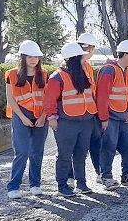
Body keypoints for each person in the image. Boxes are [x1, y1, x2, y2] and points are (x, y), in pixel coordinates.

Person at [43, 43, 98, 196]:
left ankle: (81, 183)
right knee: (64, 155)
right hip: (67, 122)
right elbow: (49, 100)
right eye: (80, 56)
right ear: (74, 59)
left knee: (81, 154)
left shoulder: (84, 73)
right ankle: (62, 186)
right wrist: (52, 118)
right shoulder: (57, 77)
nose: (83, 58)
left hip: (86, 120)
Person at [5, 40, 49, 199]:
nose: (33, 60)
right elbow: (10, 99)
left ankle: (35, 184)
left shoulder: (44, 74)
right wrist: (23, 118)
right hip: (20, 115)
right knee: (22, 151)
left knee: (37, 152)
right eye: (29, 56)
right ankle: (13, 186)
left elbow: (48, 98)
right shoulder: (11, 74)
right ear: (23, 57)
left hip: (40, 116)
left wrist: (43, 116)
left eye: (36, 56)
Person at [96, 39, 128, 189]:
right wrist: (103, 118)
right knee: (108, 147)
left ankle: (127, 175)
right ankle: (106, 176)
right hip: (110, 117)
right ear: (126, 55)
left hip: (124, 116)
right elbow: (102, 97)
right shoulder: (109, 70)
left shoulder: (127, 72)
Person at [68, 32, 101, 186]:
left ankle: (97, 172)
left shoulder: (87, 66)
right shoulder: (69, 65)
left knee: (90, 144)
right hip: (71, 115)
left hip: (89, 113)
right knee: (71, 147)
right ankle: (70, 176)